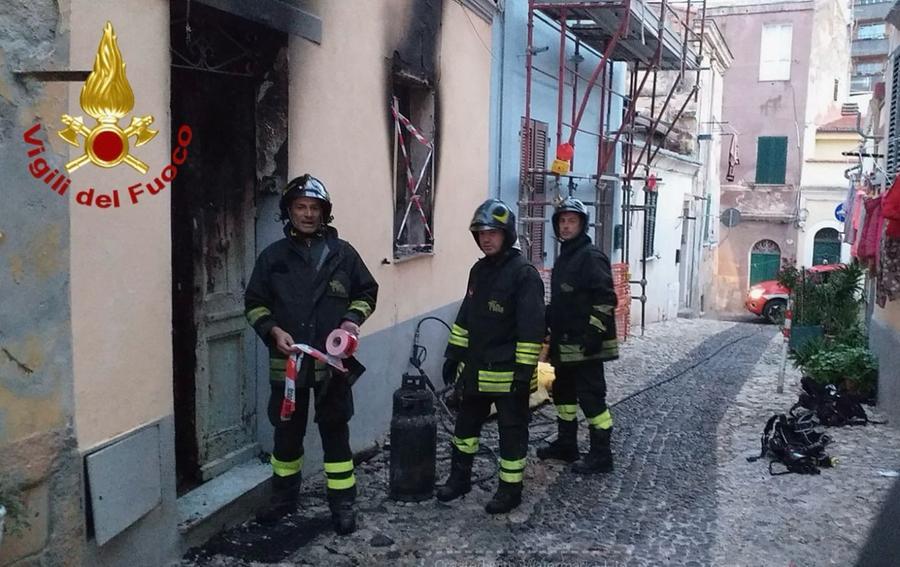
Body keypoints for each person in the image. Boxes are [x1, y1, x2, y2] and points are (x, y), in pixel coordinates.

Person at [244, 174, 378, 535]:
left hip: (333, 366)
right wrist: (272, 330)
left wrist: (351, 321)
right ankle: (283, 499)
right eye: (300, 207)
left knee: (336, 433)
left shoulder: (343, 255)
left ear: (324, 213)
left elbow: (367, 292)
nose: (307, 214)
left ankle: (343, 505)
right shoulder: (272, 258)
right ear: (289, 211)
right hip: (287, 365)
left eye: (314, 208)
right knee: (286, 436)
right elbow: (254, 304)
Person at [437, 198, 545, 514]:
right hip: (476, 371)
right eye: (481, 233)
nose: (486, 238)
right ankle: (459, 479)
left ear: (506, 234)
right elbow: (466, 317)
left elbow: (531, 329)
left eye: (493, 232)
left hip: (510, 374)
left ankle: (510, 490)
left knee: (511, 435)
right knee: (465, 429)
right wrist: (453, 354)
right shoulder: (479, 271)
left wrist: (523, 374)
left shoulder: (524, 274)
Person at [537, 197, 619, 473]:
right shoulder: (566, 257)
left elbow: (606, 298)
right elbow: (566, 300)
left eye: (572, 221)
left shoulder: (590, 257)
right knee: (563, 395)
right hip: (567, 345)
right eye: (562, 221)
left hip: (586, 346)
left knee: (592, 398)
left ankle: (601, 454)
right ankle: (566, 444)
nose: (566, 226)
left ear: (582, 225)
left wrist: (594, 333)